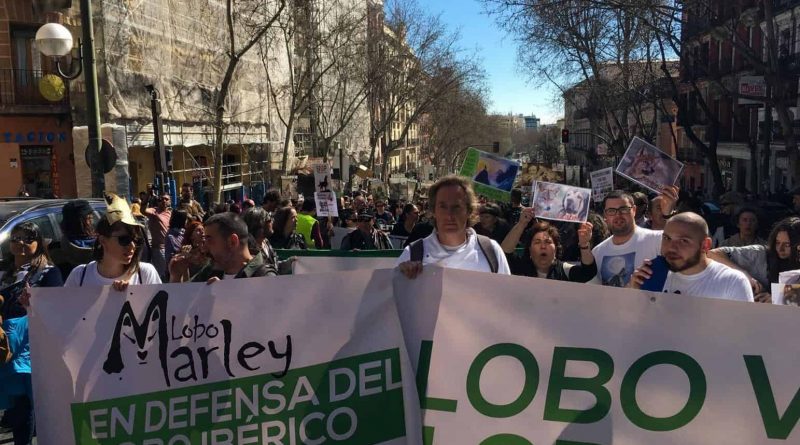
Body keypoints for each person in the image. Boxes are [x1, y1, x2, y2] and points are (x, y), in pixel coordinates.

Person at [0, 221, 63, 445]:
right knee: (14, 403)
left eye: (29, 238)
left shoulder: (48, 273)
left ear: (39, 243)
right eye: (16, 238)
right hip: (3, 347)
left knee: (25, 404)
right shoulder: (4, 272)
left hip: (31, 349)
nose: (21, 243)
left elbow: (57, 307)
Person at [396, 175, 510, 278]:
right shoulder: (412, 254)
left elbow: (506, 298)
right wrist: (401, 278)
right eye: (443, 207)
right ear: (433, 211)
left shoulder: (491, 251)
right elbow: (391, 297)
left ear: (469, 211)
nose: (449, 215)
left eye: (456, 207)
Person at [628, 212, 754, 302]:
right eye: (667, 238)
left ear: (705, 245)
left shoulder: (732, 281)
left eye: (683, 241)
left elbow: (743, 334)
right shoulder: (655, 274)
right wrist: (633, 292)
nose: (671, 248)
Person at [64, 194, 161, 288]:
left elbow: (164, 302)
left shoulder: (145, 273)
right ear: (103, 240)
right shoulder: (79, 276)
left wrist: (132, 295)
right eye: (124, 239)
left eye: (136, 240)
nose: (132, 246)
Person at [591, 187, 678, 287]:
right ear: (605, 215)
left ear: (634, 210)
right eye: (611, 211)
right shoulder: (597, 252)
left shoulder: (657, 240)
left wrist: (668, 215)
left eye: (623, 209)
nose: (618, 215)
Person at [708, 216, 800, 302]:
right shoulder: (760, 253)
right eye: (777, 243)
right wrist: (745, 275)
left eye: (787, 245)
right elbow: (713, 253)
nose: (780, 249)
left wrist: (778, 297)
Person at [502, 209, 596, 281]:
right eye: (537, 242)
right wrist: (522, 223)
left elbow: (588, 272)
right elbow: (504, 254)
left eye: (548, 242)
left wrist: (584, 244)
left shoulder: (565, 271)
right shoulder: (521, 269)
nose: (543, 246)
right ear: (530, 249)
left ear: (555, 249)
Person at [184, 212, 276, 283]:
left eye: (209, 239)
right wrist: (176, 275)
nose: (204, 247)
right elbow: (184, 303)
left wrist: (226, 295)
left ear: (232, 242)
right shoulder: (210, 271)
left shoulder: (265, 278)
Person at [242, 207, 293, 275]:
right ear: (260, 224)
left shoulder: (266, 242)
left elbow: (275, 267)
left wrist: (289, 263)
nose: (272, 221)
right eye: (269, 219)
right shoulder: (248, 250)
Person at [54, 200, 97, 276]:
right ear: (80, 222)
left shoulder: (59, 247)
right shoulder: (102, 245)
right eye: (89, 218)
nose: (92, 222)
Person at [144, 191, 172, 279]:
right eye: (161, 199)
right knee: (162, 276)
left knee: (170, 274)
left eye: (166, 199)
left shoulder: (170, 213)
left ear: (170, 201)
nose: (164, 201)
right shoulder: (154, 211)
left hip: (170, 249)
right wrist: (148, 195)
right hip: (159, 250)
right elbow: (143, 210)